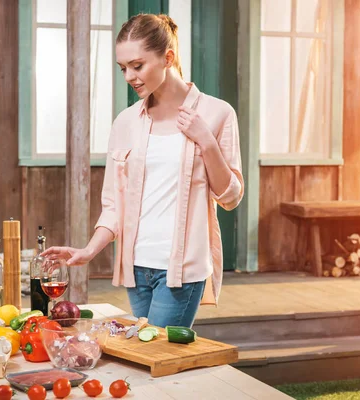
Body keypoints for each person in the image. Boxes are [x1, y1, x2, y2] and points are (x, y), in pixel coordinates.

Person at [42, 13, 243, 328]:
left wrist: (206, 141)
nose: (129, 76)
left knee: (159, 354)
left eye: (138, 66)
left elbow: (230, 196)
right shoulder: (126, 122)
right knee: (145, 362)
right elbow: (113, 205)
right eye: (123, 68)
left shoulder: (217, 113)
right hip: (136, 268)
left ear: (168, 58)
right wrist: (88, 251)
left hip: (182, 269)